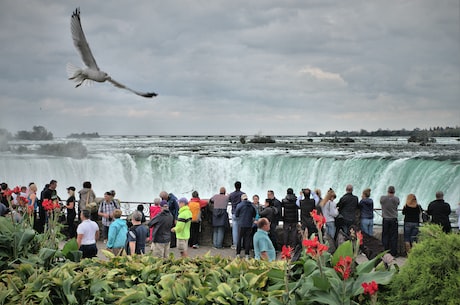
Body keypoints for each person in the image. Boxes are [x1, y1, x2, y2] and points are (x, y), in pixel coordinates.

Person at [380, 186, 400, 257]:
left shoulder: (382, 198)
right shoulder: (396, 199)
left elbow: (381, 203)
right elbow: (397, 204)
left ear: (388, 191)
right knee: (393, 236)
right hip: (393, 219)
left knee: (385, 235)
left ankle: (385, 251)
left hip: (385, 219)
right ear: (394, 192)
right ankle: (393, 252)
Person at [235, 193, 256, 259]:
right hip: (249, 224)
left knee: (239, 239)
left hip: (241, 224)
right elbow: (254, 214)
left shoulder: (239, 205)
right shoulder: (251, 205)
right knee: (247, 239)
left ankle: (238, 253)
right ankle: (247, 254)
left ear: (242, 199)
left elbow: (236, 214)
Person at [229, 181, 245, 249]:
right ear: (240, 186)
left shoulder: (231, 194)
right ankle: (240, 244)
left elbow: (229, 200)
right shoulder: (243, 194)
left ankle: (235, 244)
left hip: (234, 212)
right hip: (241, 214)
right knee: (240, 229)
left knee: (234, 229)